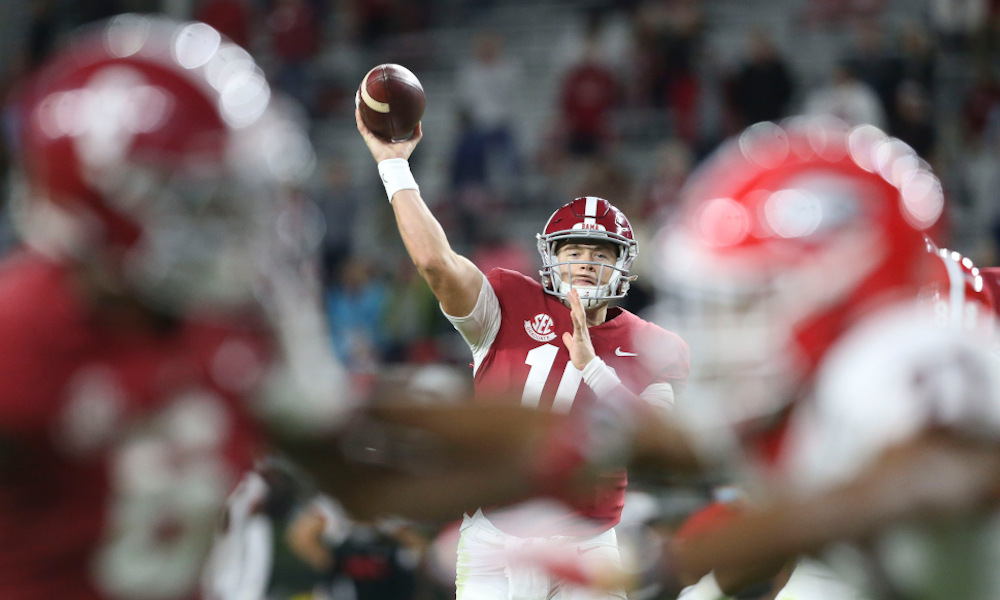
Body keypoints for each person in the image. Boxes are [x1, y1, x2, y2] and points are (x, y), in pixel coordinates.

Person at [0, 14, 599, 600]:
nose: (231, 230)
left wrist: (573, 454)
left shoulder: (222, 324)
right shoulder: (18, 336)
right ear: (102, 207)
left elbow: (358, 464)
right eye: (202, 207)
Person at [644, 118, 1000, 600]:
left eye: (748, 303)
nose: (724, 337)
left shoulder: (907, 346)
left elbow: (940, 475)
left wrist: (698, 555)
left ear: (834, 284)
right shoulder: (818, 393)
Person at [355, 106, 690, 600]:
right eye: (573, 252)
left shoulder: (655, 344)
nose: (585, 265)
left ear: (624, 266)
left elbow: (655, 449)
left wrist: (592, 369)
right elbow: (434, 261)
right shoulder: (506, 302)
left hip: (590, 540)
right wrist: (393, 166)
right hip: (499, 535)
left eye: (601, 254)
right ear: (550, 258)